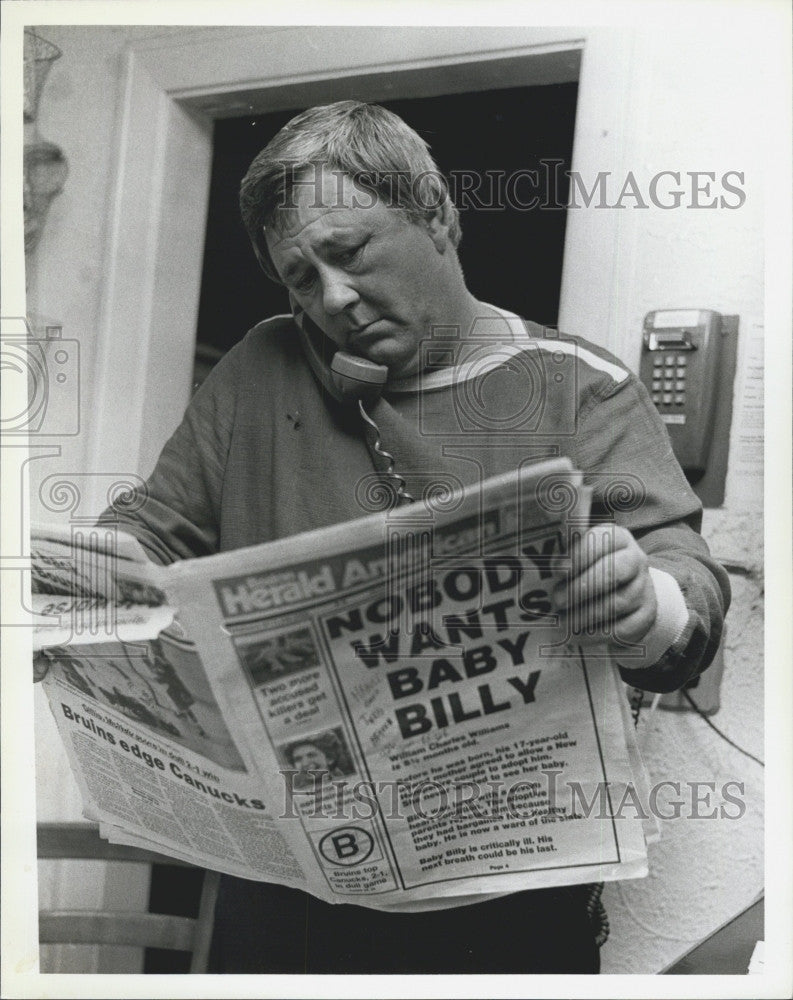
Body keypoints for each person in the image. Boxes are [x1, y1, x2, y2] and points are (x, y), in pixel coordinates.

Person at [101, 101, 730, 973]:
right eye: (299, 278)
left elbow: (683, 587)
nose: (332, 300)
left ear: (435, 212)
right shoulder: (259, 368)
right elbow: (148, 528)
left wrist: (643, 603)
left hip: (503, 908)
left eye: (349, 252)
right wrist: (100, 575)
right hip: (288, 893)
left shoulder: (577, 387)